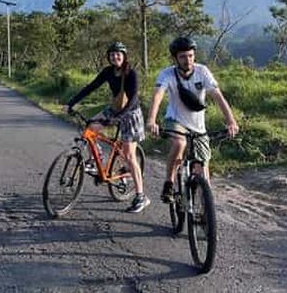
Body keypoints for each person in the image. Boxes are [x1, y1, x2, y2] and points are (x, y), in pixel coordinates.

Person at [145, 36, 239, 203]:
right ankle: (169, 182)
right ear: (175, 58)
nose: (187, 60)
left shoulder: (202, 71)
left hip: (198, 126)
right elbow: (158, 95)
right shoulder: (167, 74)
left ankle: (205, 214)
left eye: (190, 56)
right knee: (180, 144)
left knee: (203, 173)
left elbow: (217, 96)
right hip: (176, 120)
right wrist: (152, 120)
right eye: (182, 56)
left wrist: (231, 121)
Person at [64, 41, 149, 213]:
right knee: (90, 128)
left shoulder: (131, 73)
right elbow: (91, 87)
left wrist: (117, 119)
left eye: (118, 54)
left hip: (131, 114)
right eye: (112, 54)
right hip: (115, 109)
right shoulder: (108, 72)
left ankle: (141, 196)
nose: (115, 57)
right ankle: (97, 160)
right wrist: (71, 103)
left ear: (124, 56)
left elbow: (133, 100)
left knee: (129, 155)